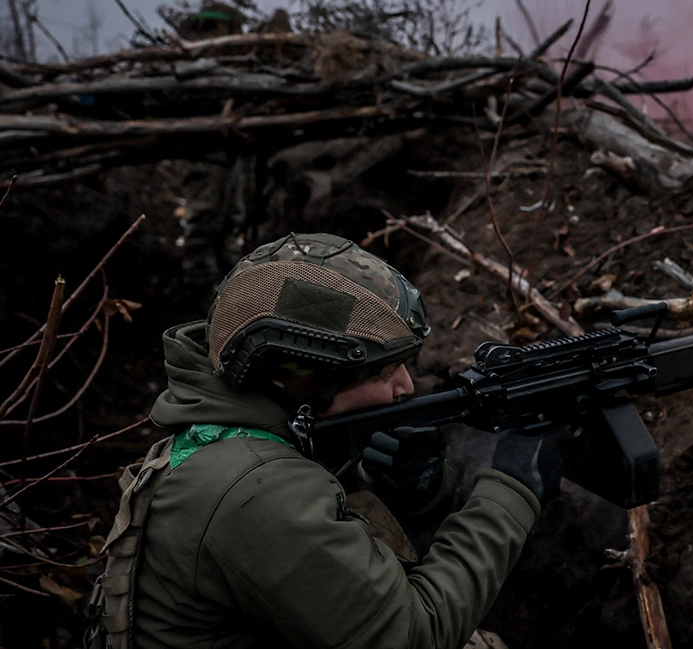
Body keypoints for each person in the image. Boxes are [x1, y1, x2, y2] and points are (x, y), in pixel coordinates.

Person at [86, 233, 561, 649]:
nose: (406, 388)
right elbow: (414, 635)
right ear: (304, 379)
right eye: (382, 371)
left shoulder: (224, 444)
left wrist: (405, 489)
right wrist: (510, 491)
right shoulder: (255, 490)